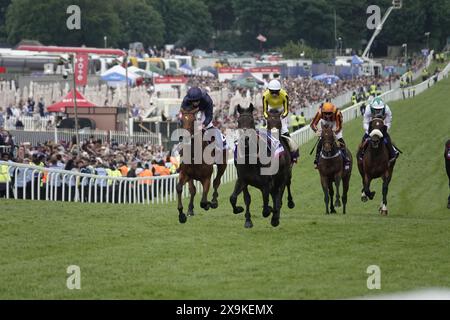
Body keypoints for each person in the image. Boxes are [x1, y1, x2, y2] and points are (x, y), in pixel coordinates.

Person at [181, 86, 226, 153]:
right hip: (191, 112)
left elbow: (209, 116)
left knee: (209, 126)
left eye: (197, 101)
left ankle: (218, 147)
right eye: (193, 101)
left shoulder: (207, 100)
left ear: (200, 98)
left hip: (204, 111)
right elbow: (185, 114)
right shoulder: (186, 100)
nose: (195, 103)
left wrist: (203, 125)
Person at [262, 79, 299, 160]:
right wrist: (269, 118)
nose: (274, 94)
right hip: (270, 110)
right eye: (272, 92)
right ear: (269, 90)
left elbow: (286, 110)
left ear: (279, 90)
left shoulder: (284, 95)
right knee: (265, 132)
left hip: (280, 110)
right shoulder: (265, 95)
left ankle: (294, 154)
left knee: (285, 131)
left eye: (276, 92)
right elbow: (264, 111)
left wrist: (281, 117)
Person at [310, 102, 350, 170]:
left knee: (339, 139)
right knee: (320, 140)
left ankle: (346, 159)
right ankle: (316, 160)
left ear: (333, 111)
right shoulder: (320, 112)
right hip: (325, 122)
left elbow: (339, 126)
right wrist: (317, 131)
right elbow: (313, 124)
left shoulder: (337, 113)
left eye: (329, 113)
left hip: (335, 123)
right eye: (325, 113)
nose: (327, 115)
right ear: (323, 111)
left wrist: (334, 132)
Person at [358, 97, 398, 162]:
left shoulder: (387, 109)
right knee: (365, 138)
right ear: (372, 107)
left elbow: (388, 122)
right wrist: (370, 131)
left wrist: (384, 131)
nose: (378, 111)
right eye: (376, 109)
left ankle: (393, 153)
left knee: (387, 138)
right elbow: (365, 123)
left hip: (382, 124)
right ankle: (361, 154)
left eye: (380, 109)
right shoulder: (368, 109)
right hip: (371, 125)